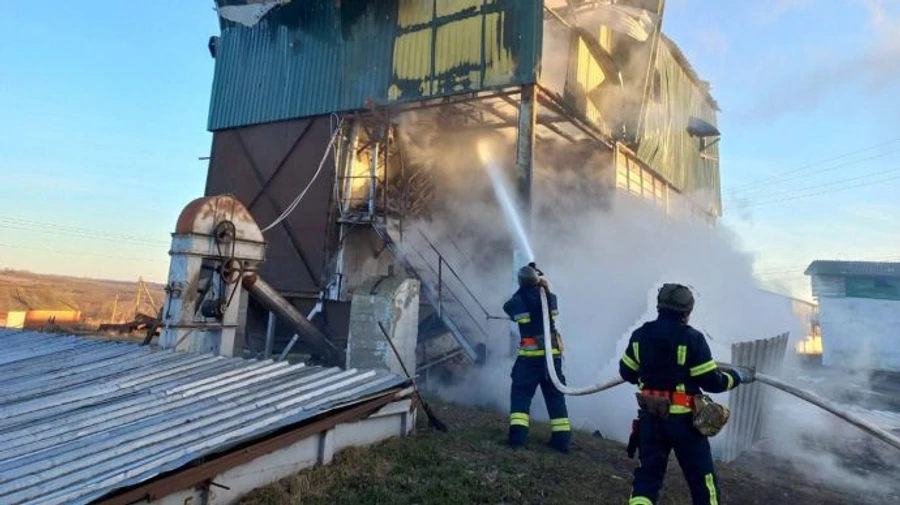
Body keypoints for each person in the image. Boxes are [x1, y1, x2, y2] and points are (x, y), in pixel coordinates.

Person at [619, 283, 756, 505]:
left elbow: (626, 372)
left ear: (659, 306)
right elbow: (713, 382)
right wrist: (738, 375)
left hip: (650, 417)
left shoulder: (640, 335)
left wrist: (649, 375)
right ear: (687, 311)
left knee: (647, 477)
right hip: (684, 422)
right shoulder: (692, 338)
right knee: (702, 480)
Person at [502, 263, 571, 453]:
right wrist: (538, 283)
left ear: (521, 282)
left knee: (521, 396)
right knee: (555, 397)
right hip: (552, 358)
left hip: (530, 360)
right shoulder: (549, 296)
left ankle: (518, 439)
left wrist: (524, 287)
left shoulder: (520, 299)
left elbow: (507, 307)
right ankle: (562, 441)